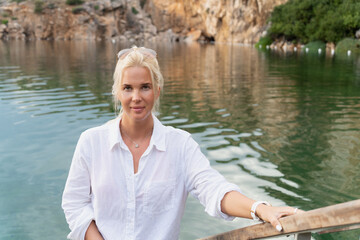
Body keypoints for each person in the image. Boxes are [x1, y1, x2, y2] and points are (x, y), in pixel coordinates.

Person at [62, 46, 301, 240]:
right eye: (127, 88)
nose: (136, 97)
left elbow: (213, 189)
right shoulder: (91, 142)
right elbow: (74, 204)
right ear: (117, 93)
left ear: (157, 90)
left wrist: (259, 208)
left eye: (144, 87)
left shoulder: (180, 146)